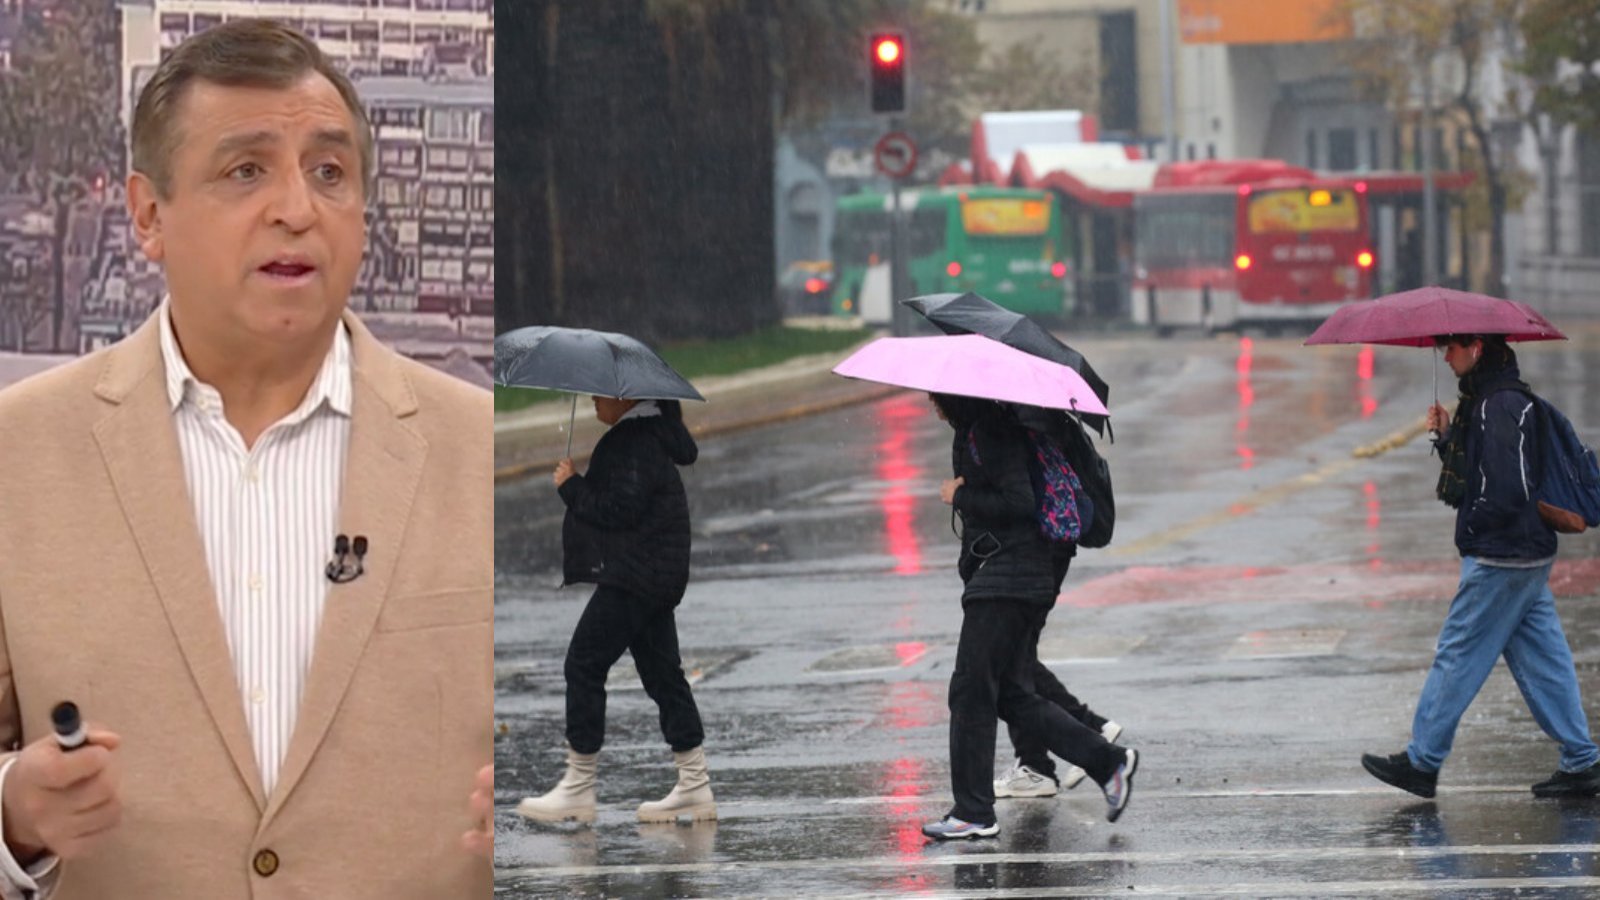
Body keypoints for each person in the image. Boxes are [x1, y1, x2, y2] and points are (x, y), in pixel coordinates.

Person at [0, 20, 491, 898]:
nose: (298, 209)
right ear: (149, 215)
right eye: (246, 170)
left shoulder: (475, 452)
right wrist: (13, 817)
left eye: (329, 173)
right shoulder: (18, 454)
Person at [1362, 333, 1600, 799]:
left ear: (1476, 347)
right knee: (1544, 657)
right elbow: (1492, 467)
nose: (1445, 356)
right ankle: (1583, 760)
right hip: (1525, 552)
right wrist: (1451, 435)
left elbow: (1506, 487)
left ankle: (1422, 761)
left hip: (1501, 554)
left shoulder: (1499, 406)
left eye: (1450, 347)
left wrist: (1478, 519)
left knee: (1458, 653)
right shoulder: (1493, 402)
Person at [921, 393, 1136, 841]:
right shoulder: (987, 426)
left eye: (934, 398)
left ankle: (974, 811)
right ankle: (1107, 761)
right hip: (1021, 574)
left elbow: (1019, 502)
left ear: (951, 397)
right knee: (1012, 695)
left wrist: (961, 494)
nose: (931, 405)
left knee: (970, 690)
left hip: (1008, 577)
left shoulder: (989, 430)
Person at [516, 395, 716, 825]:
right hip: (654, 573)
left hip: (635, 575)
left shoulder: (633, 440)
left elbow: (617, 509)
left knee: (583, 663)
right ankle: (695, 785)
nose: (592, 399)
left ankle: (578, 786)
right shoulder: (647, 435)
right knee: (664, 677)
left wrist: (571, 485)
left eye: (600, 393)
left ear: (627, 398)